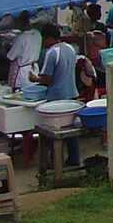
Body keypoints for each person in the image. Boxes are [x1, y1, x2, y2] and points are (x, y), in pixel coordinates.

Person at [33, 24, 81, 166]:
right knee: (72, 130)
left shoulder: (52, 52)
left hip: (57, 97)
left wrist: (34, 78)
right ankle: (74, 159)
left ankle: (56, 162)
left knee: (53, 132)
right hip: (71, 93)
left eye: (44, 39)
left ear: (49, 38)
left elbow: (47, 78)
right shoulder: (70, 49)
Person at [6, 14, 40, 88]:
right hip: (34, 68)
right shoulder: (37, 33)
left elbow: (11, 56)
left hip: (23, 71)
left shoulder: (21, 38)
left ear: (19, 23)